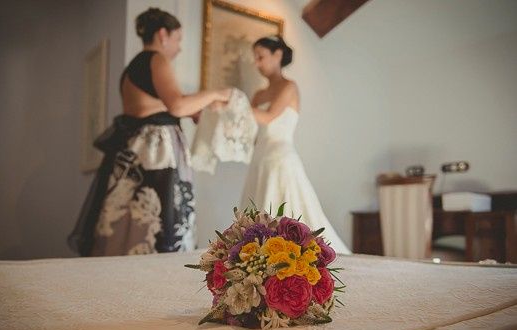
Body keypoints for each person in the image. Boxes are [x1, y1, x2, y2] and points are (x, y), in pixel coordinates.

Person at [69, 7, 231, 256]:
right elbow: (176, 104)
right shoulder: (156, 59)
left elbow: (156, 106)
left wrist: (194, 109)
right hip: (154, 157)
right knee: (158, 225)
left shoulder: (134, 66)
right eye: (177, 39)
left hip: (137, 153)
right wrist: (217, 93)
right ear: (163, 35)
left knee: (131, 228)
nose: (179, 48)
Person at [240, 35, 351, 255]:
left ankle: (294, 257)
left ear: (277, 55)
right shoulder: (258, 94)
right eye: (255, 58)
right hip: (259, 160)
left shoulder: (289, 87)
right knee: (258, 211)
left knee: (287, 209)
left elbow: (270, 115)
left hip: (280, 159)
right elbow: (250, 129)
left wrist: (235, 104)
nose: (257, 63)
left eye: (261, 56)